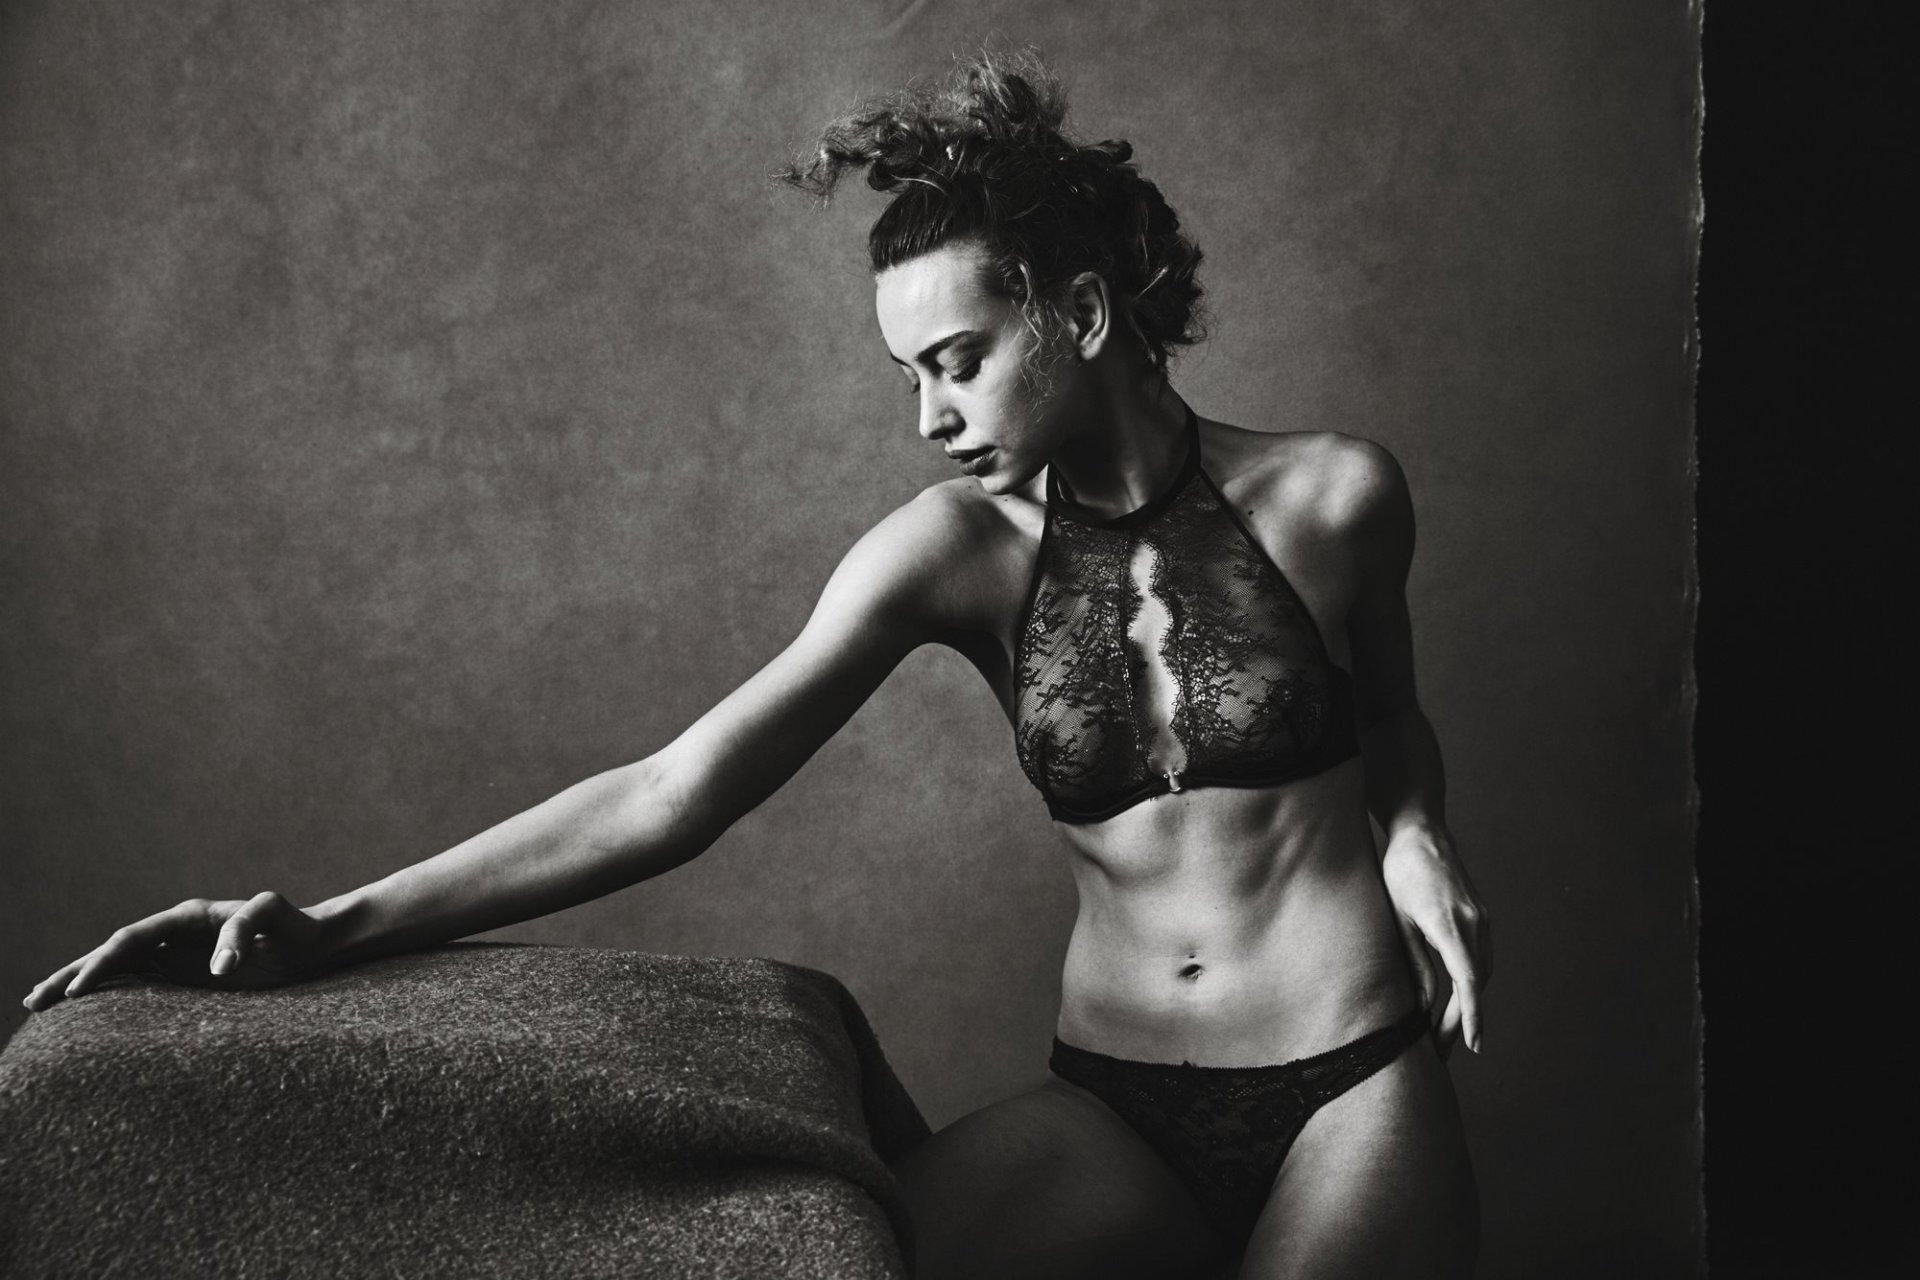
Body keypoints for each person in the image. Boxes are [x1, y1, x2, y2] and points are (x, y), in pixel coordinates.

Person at [22, 50, 1489, 1280]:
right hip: (1113, 1106)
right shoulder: (954, 553)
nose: (929, 417)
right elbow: (675, 790)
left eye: (958, 360)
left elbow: (1391, 721)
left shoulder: (1338, 497)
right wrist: (336, 926)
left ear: (1087, 315)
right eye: (907, 375)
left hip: (1346, 1086)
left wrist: (1413, 827)